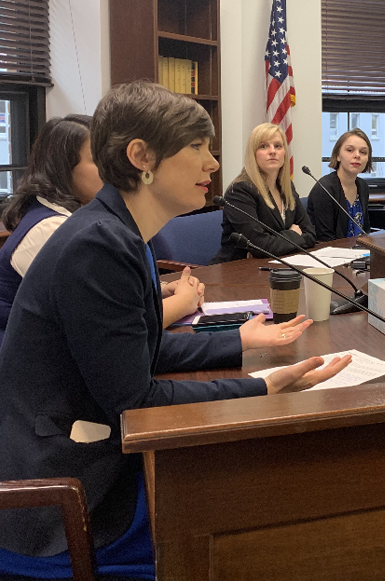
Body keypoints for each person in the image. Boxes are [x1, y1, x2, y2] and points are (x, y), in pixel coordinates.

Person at [0, 82, 350, 579]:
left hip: (86, 455)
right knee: (249, 522)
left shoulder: (120, 231)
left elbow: (142, 351)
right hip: (66, 495)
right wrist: (262, 386)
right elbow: (134, 401)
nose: (212, 163)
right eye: (197, 148)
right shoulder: (97, 245)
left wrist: (236, 343)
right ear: (141, 156)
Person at [0, 116, 203, 341]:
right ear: (62, 168)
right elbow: (109, 327)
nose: (111, 170)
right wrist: (182, 303)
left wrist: (161, 290)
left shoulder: (80, 217)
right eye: (98, 160)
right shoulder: (51, 229)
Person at [211, 123, 315, 263]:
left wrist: (276, 243)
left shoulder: (286, 187)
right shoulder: (240, 191)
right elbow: (260, 246)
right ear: (253, 154)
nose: (272, 151)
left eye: (278, 146)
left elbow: (310, 234)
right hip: (238, 270)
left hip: (278, 264)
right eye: (263, 146)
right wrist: (294, 234)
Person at [306, 128, 372, 241]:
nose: (357, 155)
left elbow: (365, 229)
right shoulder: (325, 188)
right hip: (332, 254)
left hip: (361, 252)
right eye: (350, 150)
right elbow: (325, 238)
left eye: (363, 152)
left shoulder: (362, 186)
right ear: (337, 155)